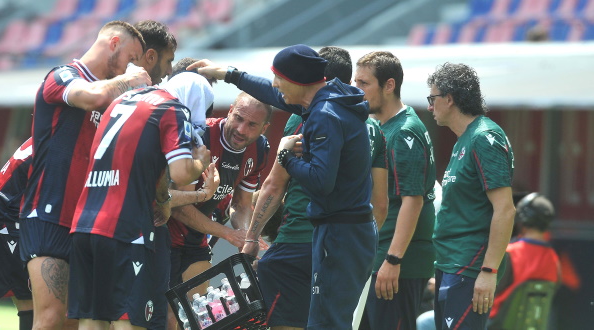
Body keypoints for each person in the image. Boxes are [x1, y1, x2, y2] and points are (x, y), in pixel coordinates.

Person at [230, 46, 387, 330]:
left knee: (310, 317)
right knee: (336, 320)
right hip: (357, 235)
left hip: (312, 236)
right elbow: (380, 201)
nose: (280, 89)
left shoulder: (312, 115)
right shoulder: (367, 122)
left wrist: (251, 238)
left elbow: (274, 185)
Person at [19, 20, 150, 329]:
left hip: (87, 223)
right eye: (131, 56)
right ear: (114, 43)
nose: (133, 66)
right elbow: (91, 96)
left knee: (79, 322)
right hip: (48, 213)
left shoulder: (114, 99)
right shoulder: (63, 76)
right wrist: (131, 79)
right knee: (51, 318)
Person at [68, 72, 213, 330]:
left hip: (84, 225)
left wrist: (164, 200)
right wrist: (200, 160)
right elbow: (180, 172)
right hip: (126, 229)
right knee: (131, 321)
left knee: (92, 323)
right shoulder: (173, 108)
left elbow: (149, 167)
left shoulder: (122, 101)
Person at [427, 62, 515, 329]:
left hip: (468, 267)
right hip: (449, 263)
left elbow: (505, 209)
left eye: (432, 99)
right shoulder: (464, 138)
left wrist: (488, 271)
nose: (430, 106)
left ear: (449, 99)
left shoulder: (484, 137)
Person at [355, 51, 436, 330]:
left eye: (364, 84)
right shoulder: (385, 125)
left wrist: (392, 259)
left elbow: (412, 202)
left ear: (389, 85)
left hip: (397, 263)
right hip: (381, 258)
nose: (357, 91)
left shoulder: (404, 132)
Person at [167, 88, 270, 295]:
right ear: (230, 111)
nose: (241, 129)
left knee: (191, 314)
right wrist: (229, 234)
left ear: (264, 128)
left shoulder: (259, 150)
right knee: (161, 317)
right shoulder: (201, 136)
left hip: (197, 239)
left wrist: (246, 235)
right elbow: (177, 206)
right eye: (238, 118)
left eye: (251, 125)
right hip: (163, 233)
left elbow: (241, 204)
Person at [132, 20, 176, 330]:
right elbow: (172, 170)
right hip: (131, 222)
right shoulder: (158, 103)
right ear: (150, 56)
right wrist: (166, 199)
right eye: (168, 59)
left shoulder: (108, 93)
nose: (169, 69)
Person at [0, 138, 34, 330]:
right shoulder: (56, 139)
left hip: (6, 218)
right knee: (32, 304)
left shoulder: (42, 139)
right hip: (7, 221)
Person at [489, 193, 560, 323]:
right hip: (534, 323)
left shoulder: (510, 252)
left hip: (498, 322)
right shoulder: (553, 258)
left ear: (522, 218)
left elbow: (491, 290)